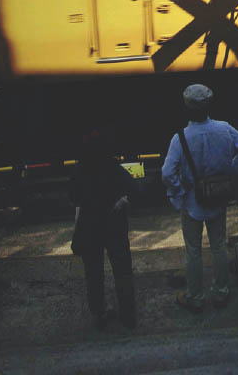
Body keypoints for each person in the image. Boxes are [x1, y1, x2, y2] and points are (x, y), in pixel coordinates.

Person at [161, 84, 238, 313]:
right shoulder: (224, 129)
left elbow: (167, 173)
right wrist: (231, 171)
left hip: (192, 201)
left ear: (187, 108)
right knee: (219, 246)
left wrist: (180, 193)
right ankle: (221, 292)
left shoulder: (180, 138)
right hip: (218, 198)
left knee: (193, 250)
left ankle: (196, 296)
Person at [70, 128, 137, 329]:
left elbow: (73, 198)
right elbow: (136, 189)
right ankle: (128, 315)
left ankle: (99, 313)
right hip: (114, 225)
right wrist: (122, 200)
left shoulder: (79, 171)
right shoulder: (113, 167)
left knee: (93, 272)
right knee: (123, 270)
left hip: (90, 226)